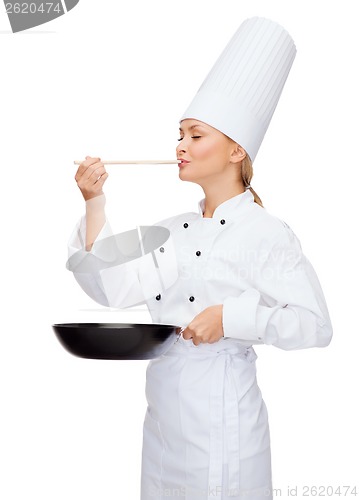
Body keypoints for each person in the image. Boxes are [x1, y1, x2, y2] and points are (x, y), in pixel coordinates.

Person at [67, 17, 333, 500]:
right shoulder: (170, 230)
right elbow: (112, 288)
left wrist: (229, 317)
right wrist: (94, 202)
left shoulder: (266, 233)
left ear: (236, 150)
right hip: (165, 423)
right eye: (180, 135)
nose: (180, 147)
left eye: (195, 135)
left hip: (225, 424)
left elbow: (315, 326)